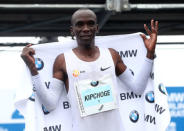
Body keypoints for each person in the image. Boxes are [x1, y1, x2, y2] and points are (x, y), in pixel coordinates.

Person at [21, 8, 158, 131]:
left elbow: (138, 88)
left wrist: (150, 54)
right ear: (72, 30)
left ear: (97, 28)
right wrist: (33, 69)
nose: (86, 28)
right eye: (80, 24)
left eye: (90, 23)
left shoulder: (111, 55)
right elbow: (50, 104)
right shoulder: (63, 61)